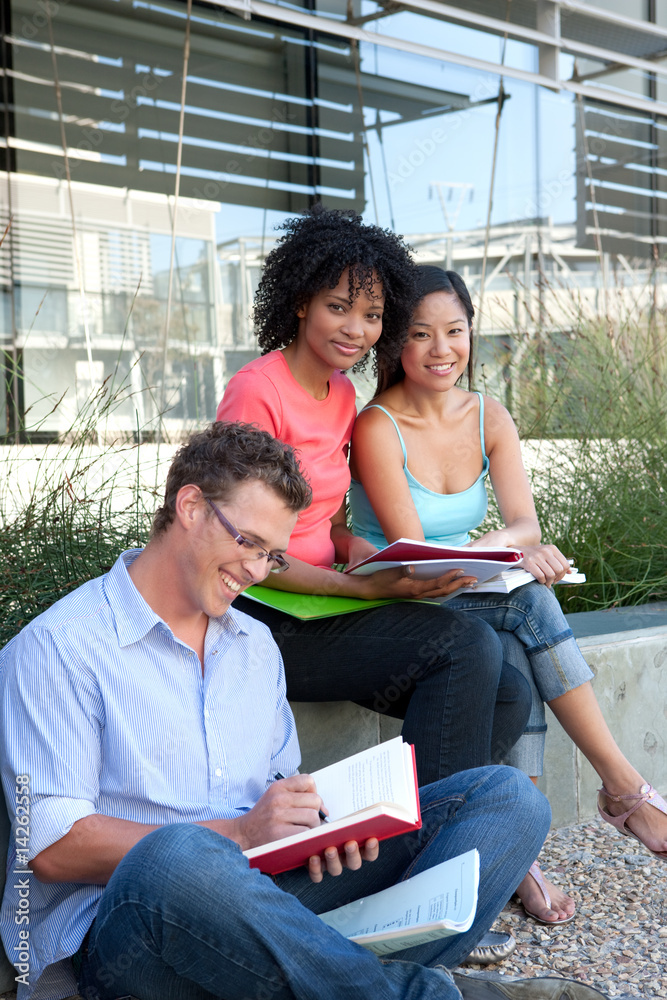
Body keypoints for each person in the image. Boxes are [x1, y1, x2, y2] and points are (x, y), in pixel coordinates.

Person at [0, 421, 605, 1000]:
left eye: (273, 556)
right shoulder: (60, 647)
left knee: (507, 799)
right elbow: (52, 848)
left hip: (266, 906)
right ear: (189, 507)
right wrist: (236, 836)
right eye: (249, 543)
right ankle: (408, 989)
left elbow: (275, 791)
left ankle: (332, 980)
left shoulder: (253, 646)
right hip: (133, 932)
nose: (257, 571)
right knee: (181, 855)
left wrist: (323, 827)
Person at [348, 264, 667, 927]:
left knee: (508, 654)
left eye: (455, 331)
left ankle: (515, 851)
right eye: (420, 334)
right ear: (393, 346)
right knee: (530, 605)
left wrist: (505, 548)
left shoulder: (489, 413)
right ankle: (622, 787)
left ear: (471, 333)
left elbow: (526, 524)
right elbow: (417, 558)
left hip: (474, 589)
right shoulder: (377, 427)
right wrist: (503, 556)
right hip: (402, 599)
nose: (441, 350)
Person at [216, 205, 531, 793]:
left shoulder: (339, 393)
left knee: (508, 688)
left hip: (320, 602)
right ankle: (429, 851)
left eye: (372, 316)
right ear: (301, 302)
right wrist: (355, 586)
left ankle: (414, 822)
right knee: (463, 647)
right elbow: (239, 546)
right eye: (338, 308)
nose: (354, 329)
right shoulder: (257, 391)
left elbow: (325, 516)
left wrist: (352, 545)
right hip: (259, 616)